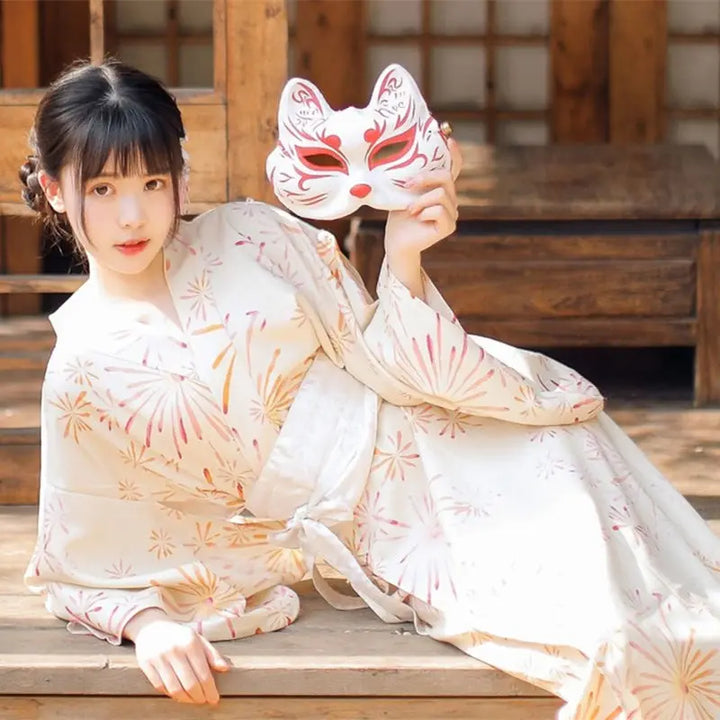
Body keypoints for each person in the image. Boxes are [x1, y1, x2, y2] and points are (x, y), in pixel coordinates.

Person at [21, 59, 720, 719]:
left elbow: (381, 357)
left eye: (151, 183)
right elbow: (78, 555)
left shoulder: (252, 235)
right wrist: (145, 625)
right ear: (56, 189)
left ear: (180, 174)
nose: (134, 217)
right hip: (386, 536)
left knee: (682, 617)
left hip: (464, 437)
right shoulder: (81, 370)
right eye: (104, 189)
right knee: (621, 645)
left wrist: (406, 251)